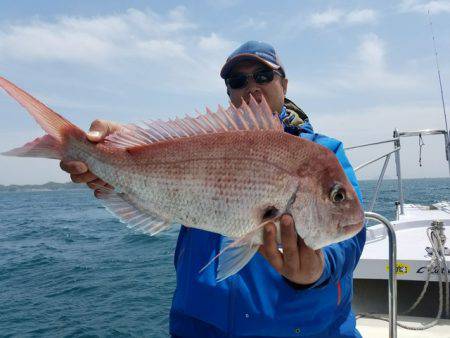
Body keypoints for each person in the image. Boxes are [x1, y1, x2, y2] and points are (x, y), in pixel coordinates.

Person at [61, 41, 366, 337]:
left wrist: (318, 269)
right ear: (229, 92)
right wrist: (114, 153)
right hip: (198, 327)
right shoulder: (207, 143)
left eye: (263, 76)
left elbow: (350, 240)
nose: (252, 87)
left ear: (283, 84)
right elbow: (155, 167)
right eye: (237, 80)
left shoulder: (323, 154)